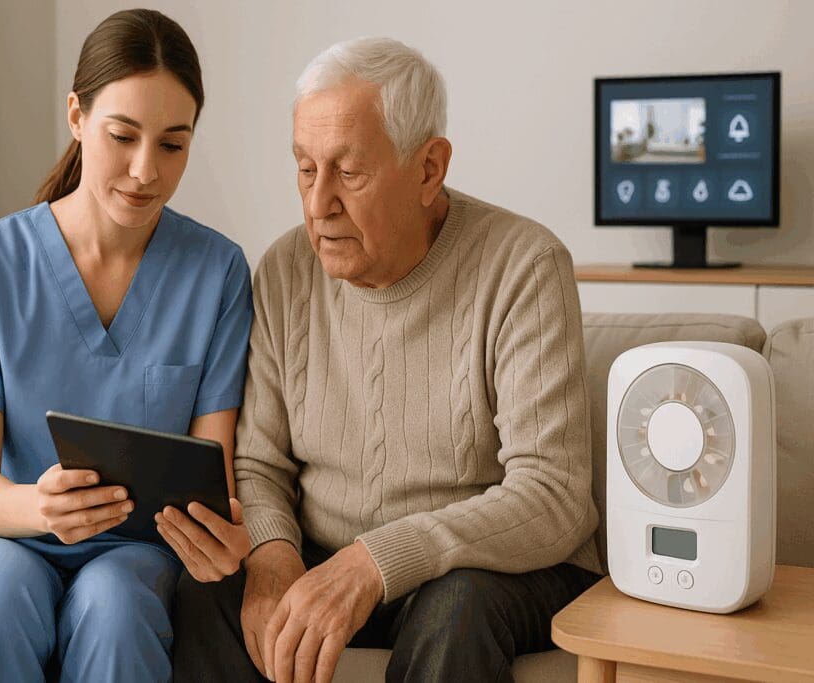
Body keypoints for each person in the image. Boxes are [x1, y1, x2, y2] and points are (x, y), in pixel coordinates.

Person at [170, 37, 604, 683]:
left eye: (349, 172)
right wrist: (273, 555)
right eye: (305, 168)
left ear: (429, 168)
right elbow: (259, 461)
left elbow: (552, 495)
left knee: (455, 606)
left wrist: (374, 561)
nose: (319, 204)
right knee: (205, 595)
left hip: (488, 570)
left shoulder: (523, 264)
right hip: (327, 552)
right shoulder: (287, 270)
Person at [0, 9, 252, 682]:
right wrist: (39, 507)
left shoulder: (218, 273)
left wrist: (228, 535)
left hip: (133, 553)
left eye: (173, 144)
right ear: (76, 115)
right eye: (122, 136)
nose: (145, 171)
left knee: (118, 606)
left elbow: (217, 476)